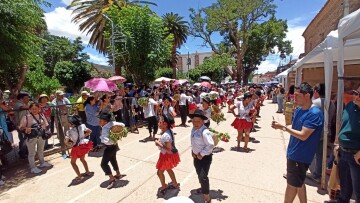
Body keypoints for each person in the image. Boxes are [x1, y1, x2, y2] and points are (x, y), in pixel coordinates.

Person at [271, 82, 324, 203]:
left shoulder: (314, 114)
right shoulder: (299, 110)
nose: (294, 98)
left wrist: (283, 127)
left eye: (297, 96)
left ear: (307, 96)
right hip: (294, 153)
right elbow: (295, 129)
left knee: (291, 185)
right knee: (298, 184)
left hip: (300, 156)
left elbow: (303, 135)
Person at [336, 85, 360, 203]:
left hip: (356, 156)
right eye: (357, 93)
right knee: (344, 184)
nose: (357, 96)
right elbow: (342, 124)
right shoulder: (350, 106)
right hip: (343, 151)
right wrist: (337, 143)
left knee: (358, 189)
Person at [189, 109, 214, 203]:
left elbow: (210, 145)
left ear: (203, 121)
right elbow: (193, 141)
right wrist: (193, 150)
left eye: (198, 121)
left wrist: (201, 154)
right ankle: (203, 187)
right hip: (196, 157)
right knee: (199, 174)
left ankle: (207, 195)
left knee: (203, 176)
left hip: (204, 158)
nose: (195, 123)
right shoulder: (194, 129)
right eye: (194, 121)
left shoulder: (205, 132)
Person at [19, 103, 52, 174]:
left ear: (39, 109)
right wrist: (26, 128)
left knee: (40, 150)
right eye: (32, 109)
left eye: (36, 108)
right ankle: (33, 167)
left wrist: (44, 129)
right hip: (31, 137)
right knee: (31, 153)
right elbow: (21, 127)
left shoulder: (41, 115)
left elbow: (46, 125)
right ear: (30, 109)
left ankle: (42, 163)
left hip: (41, 136)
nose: (34, 110)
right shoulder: (26, 117)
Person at [98, 112, 126, 189]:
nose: (99, 121)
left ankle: (112, 178)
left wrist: (101, 138)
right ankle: (118, 174)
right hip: (115, 146)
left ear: (105, 121)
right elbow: (123, 125)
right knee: (113, 160)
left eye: (100, 120)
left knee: (103, 164)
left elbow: (106, 141)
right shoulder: (112, 123)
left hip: (109, 147)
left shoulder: (105, 128)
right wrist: (115, 131)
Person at [155, 113, 180, 196]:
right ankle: (175, 183)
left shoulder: (166, 135)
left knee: (159, 172)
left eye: (160, 122)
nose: (158, 123)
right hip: (169, 154)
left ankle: (163, 186)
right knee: (169, 169)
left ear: (165, 124)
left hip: (166, 156)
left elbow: (168, 148)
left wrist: (158, 143)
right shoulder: (168, 131)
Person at [64, 115, 93, 182]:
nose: (68, 123)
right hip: (84, 145)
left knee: (73, 162)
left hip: (77, 148)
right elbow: (89, 131)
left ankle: (80, 176)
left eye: (68, 122)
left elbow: (67, 142)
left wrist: (68, 143)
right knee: (82, 159)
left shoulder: (69, 132)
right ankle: (87, 171)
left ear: (72, 123)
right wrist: (83, 137)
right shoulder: (82, 126)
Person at [14, 93, 30, 159]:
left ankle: (26, 152)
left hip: (27, 124)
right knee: (23, 140)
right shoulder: (18, 104)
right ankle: (22, 153)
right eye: (26, 98)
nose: (28, 99)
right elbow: (21, 108)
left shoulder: (28, 104)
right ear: (21, 99)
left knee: (28, 139)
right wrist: (33, 106)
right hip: (20, 125)